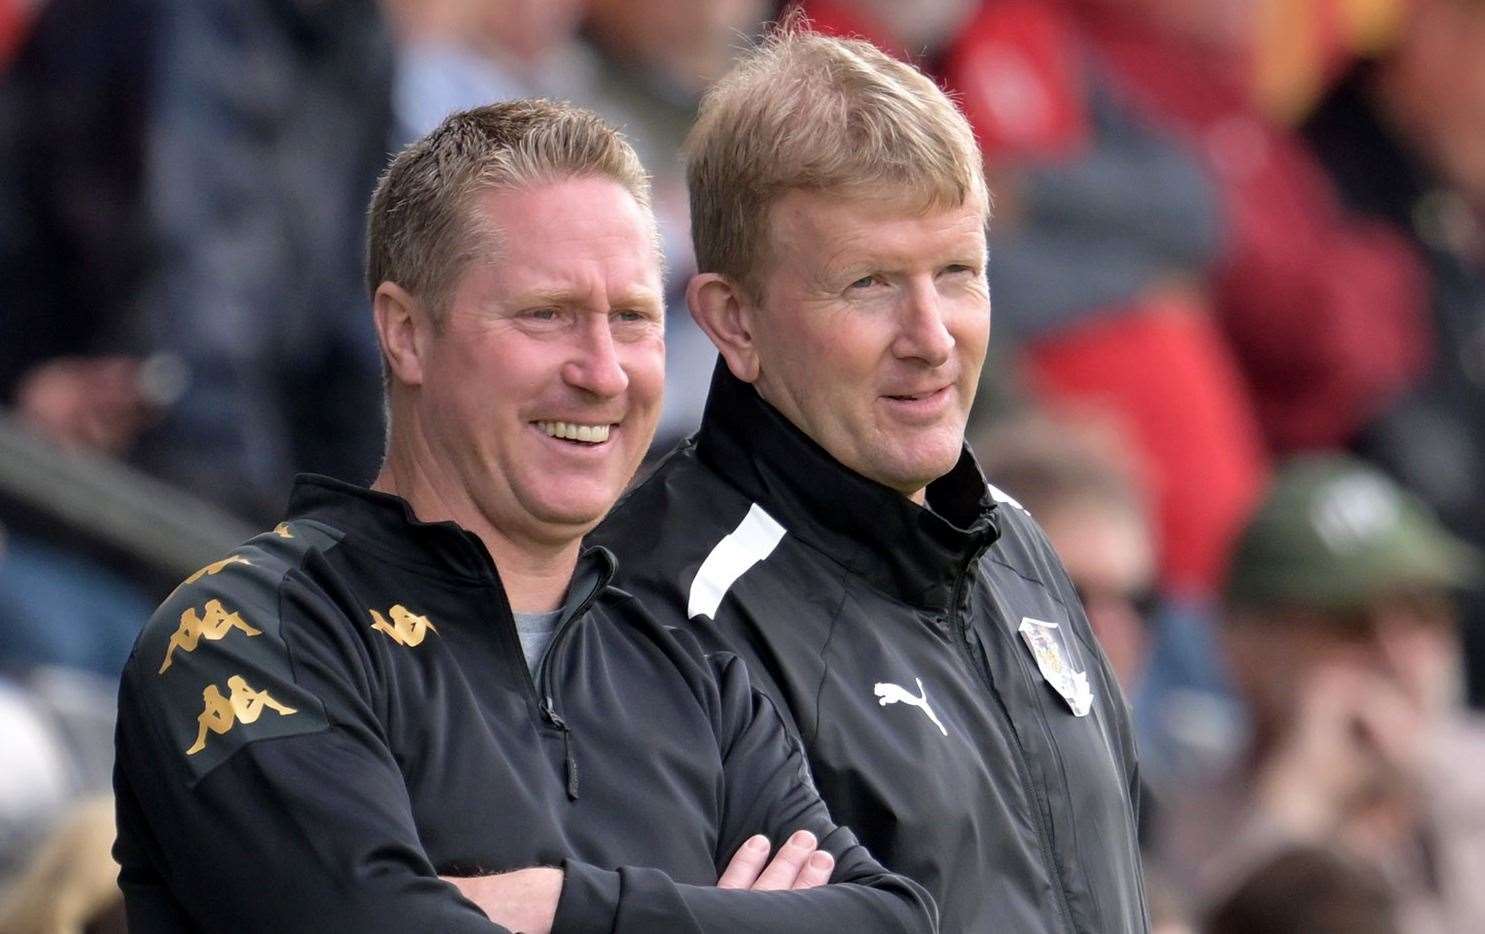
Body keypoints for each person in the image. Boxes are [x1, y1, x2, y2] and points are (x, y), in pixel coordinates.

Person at [111, 99, 934, 933]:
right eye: (547, 314)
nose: (603, 373)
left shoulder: (694, 670)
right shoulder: (248, 637)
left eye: (633, 319)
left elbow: (892, 921)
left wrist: (551, 905)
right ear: (405, 333)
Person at [591, 23, 1148, 933]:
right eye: (870, 284)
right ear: (732, 320)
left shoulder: (1020, 547)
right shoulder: (658, 611)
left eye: (958, 272)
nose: (932, 337)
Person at [1155, 455, 1485, 932]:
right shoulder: (1196, 816)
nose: (1398, 656)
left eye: (1424, 613)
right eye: (1351, 622)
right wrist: (1299, 797)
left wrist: (1426, 788)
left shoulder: (1471, 781)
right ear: (1246, 644)